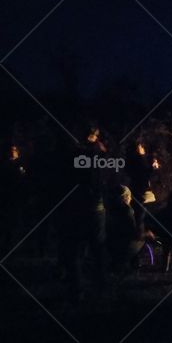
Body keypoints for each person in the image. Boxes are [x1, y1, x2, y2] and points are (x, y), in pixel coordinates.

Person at [61, 126, 108, 299]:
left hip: (78, 206)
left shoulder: (76, 154)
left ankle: (78, 287)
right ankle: (100, 283)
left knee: (75, 248)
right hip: (94, 205)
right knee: (97, 247)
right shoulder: (97, 155)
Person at [106, 185, 144, 274]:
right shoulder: (127, 210)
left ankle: (119, 263)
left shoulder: (110, 209)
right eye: (129, 196)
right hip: (122, 245)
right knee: (142, 240)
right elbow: (133, 233)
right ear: (126, 197)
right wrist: (145, 233)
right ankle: (133, 264)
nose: (131, 199)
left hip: (111, 244)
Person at [125, 141, 159, 231]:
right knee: (140, 217)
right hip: (141, 192)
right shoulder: (140, 160)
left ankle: (135, 236)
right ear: (137, 149)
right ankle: (139, 237)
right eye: (141, 147)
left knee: (137, 215)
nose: (143, 148)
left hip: (134, 190)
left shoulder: (131, 160)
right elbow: (144, 175)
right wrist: (153, 168)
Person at [0, 144, 27, 255]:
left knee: (10, 224)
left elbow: (22, 177)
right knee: (8, 223)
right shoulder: (8, 166)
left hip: (12, 198)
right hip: (7, 197)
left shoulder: (14, 165)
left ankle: (8, 245)